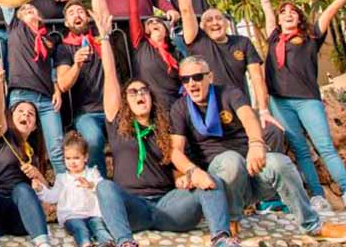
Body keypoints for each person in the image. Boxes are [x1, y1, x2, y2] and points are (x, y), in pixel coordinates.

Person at [169, 55, 346, 243]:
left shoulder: (228, 93)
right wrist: (192, 171)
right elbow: (176, 150)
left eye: (197, 77)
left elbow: (249, 117)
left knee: (281, 162)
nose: (191, 83)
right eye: (185, 79)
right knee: (231, 160)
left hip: (251, 169)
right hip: (221, 181)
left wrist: (256, 143)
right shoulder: (180, 108)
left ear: (210, 77)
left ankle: (312, 225)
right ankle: (230, 219)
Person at [92, 14, 239, 247]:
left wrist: (185, 177)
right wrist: (105, 38)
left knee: (210, 180)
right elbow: (110, 75)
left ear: (151, 97)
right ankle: (125, 242)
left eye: (144, 91)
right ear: (125, 101)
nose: (140, 95)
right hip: (135, 207)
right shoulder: (117, 124)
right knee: (104, 187)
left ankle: (221, 238)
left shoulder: (165, 126)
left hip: (169, 205)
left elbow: (178, 163)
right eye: (133, 92)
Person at [258, 0, 346, 212]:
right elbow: (268, 14)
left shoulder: (311, 37)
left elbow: (330, 10)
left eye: (293, 12)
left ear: (299, 18)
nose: (288, 14)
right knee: (301, 150)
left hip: (308, 100)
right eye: (283, 12)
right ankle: (317, 195)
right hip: (280, 102)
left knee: (325, 147)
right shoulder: (274, 38)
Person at [177, 0, 285, 147]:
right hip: (211, 115)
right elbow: (185, 8)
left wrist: (263, 111)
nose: (214, 22)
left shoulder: (242, 43)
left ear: (226, 23)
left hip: (241, 110)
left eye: (218, 18)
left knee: (273, 132)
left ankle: (272, 173)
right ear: (202, 26)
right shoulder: (198, 41)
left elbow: (257, 79)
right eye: (208, 19)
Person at [0, 58, 50, 247]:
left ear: (34, 128)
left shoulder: (34, 154)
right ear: (10, 118)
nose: (25, 115)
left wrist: (38, 176)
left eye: (31, 114)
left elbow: (48, 194)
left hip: (19, 218)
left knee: (23, 189)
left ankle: (43, 242)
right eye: (21, 112)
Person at [55, 0, 109, 175]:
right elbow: (63, 83)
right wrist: (76, 64)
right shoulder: (64, 47)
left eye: (80, 12)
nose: (76, 15)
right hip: (85, 113)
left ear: (87, 18)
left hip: (113, 108)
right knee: (94, 141)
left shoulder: (101, 38)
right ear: (67, 23)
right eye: (71, 13)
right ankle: (101, 188)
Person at [5, 3, 66, 174]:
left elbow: (51, 67)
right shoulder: (15, 27)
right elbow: (6, 0)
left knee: (56, 150)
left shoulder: (47, 39)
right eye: (23, 10)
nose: (28, 9)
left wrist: (57, 90)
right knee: (16, 148)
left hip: (47, 99)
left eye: (33, 8)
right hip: (21, 95)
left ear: (39, 17)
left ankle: (69, 194)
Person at [33, 132, 113, 247]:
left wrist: (91, 185)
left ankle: (107, 242)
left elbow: (103, 189)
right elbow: (52, 197)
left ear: (85, 157)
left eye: (76, 158)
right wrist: (40, 189)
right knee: (79, 229)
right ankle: (85, 243)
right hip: (72, 216)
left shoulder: (92, 173)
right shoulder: (62, 178)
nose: (72, 162)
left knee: (98, 226)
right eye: (68, 158)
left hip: (93, 213)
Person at [127, 0, 182, 107]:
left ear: (166, 29)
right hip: (155, 106)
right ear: (145, 31)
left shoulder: (175, 51)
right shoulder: (141, 45)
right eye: (149, 23)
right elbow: (133, 12)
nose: (154, 23)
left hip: (178, 104)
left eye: (158, 21)